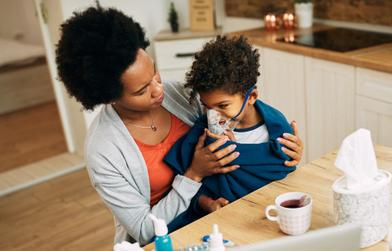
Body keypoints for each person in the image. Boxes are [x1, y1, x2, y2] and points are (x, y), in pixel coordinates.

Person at [55, 6, 304, 246]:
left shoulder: (179, 95)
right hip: (168, 236)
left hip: (218, 217)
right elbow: (144, 231)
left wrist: (284, 143)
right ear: (108, 96)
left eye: (155, 73)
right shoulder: (103, 150)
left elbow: (238, 103)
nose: (158, 89)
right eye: (143, 90)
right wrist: (194, 174)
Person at [164, 36, 299, 230]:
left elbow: (286, 171)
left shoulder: (277, 130)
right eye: (206, 106)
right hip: (224, 226)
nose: (213, 116)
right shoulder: (203, 135)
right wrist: (206, 203)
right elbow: (186, 185)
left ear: (251, 96)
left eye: (223, 105)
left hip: (269, 221)